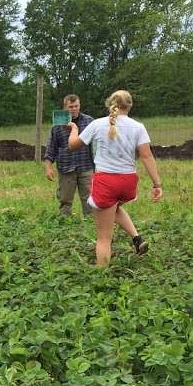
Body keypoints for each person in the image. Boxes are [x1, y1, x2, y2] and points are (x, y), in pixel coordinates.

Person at [67, 90, 163, 266]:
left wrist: (74, 129)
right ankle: (136, 238)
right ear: (130, 106)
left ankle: (102, 279)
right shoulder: (138, 127)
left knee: (103, 238)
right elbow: (147, 156)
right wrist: (157, 184)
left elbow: (73, 145)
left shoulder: (97, 124)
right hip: (128, 183)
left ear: (110, 104)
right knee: (114, 207)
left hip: (106, 182)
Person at [43, 94, 93, 216]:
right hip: (66, 167)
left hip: (86, 166)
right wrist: (48, 167)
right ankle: (65, 224)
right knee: (65, 199)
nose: (74, 109)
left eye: (76, 106)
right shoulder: (57, 125)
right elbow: (51, 148)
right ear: (65, 107)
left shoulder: (90, 121)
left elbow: (96, 146)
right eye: (71, 106)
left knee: (90, 199)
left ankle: (91, 223)